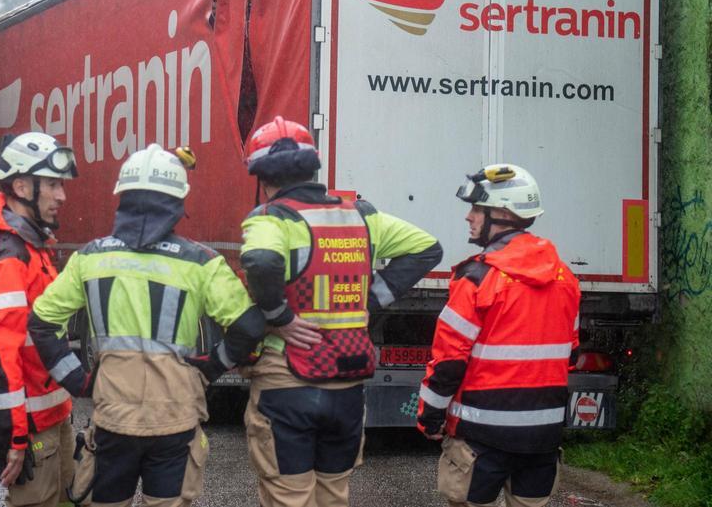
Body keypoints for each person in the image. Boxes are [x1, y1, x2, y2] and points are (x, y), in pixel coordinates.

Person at [29, 144, 266, 507]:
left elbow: (42, 324)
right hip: (175, 419)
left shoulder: (89, 258)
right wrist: (210, 368)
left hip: (112, 420)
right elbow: (248, 327)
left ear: (122, 197)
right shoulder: (201, 262)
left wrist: (78, 381)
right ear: (177, 203)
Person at [239, 116, 443, 507]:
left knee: (289, 496)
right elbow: (426, 248)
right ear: (313, 167)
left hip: (288, 382)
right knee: (333, 494)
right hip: (347, 384)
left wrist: (280, 317)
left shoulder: (272, 219)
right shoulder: (361, 215)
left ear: (261, 177)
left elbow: (261, 261)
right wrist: (368, 299)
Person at [418, 164, 580, 507]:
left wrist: (430, 417)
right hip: (542, 438)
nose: (469, 217)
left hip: (479, 437)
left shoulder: (476, 278)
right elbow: (570, 353)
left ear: (502, 214)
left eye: (477, 208)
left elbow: (448, 362)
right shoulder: (565, 279)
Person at [0, 132, 77, 507]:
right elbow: (0, 353)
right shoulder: (10, 254)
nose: (61, 196)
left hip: (51, 412)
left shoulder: (29, 243)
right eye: (53, 184)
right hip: (31, 423)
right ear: (23, 186)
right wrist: (15, 436)